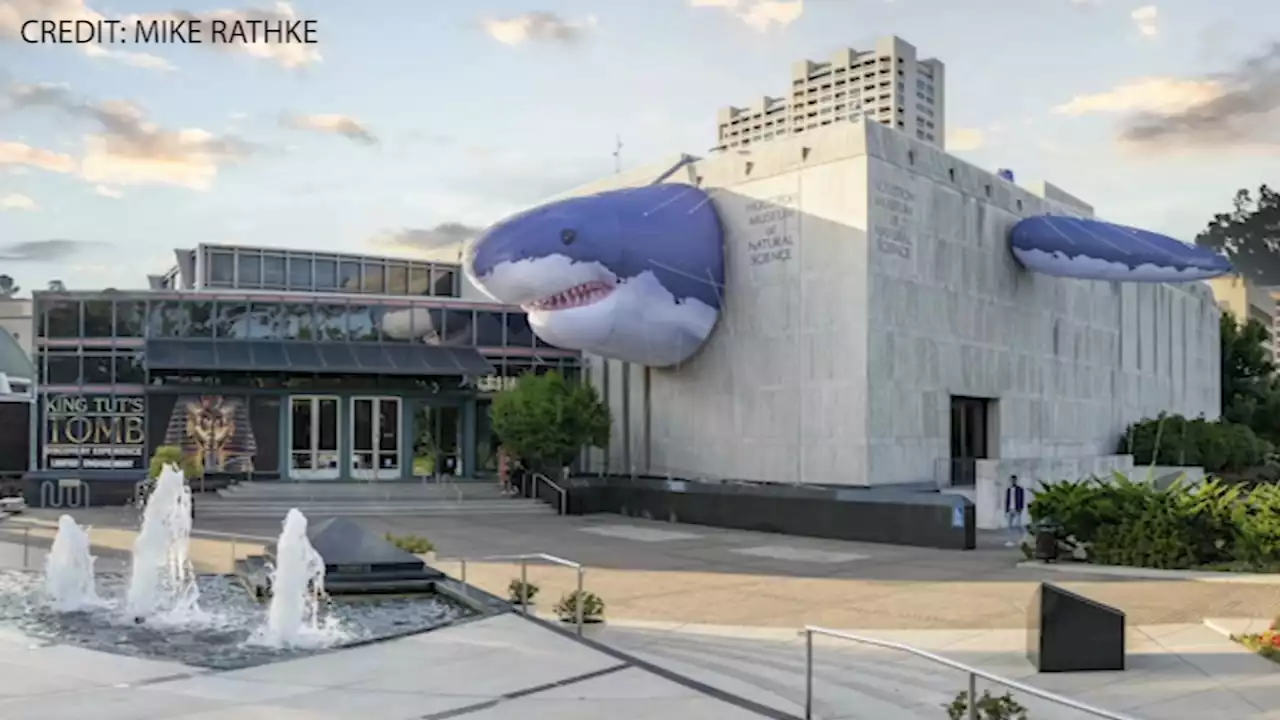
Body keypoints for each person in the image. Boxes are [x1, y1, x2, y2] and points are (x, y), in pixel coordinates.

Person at [1004, 475, 1026, 547]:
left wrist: (1021, 508)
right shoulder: (1008, 490)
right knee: (1009, 526)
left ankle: (1023, 536)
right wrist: (1006, 510)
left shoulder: (1020, 489)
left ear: (1016, 480)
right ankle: (1010, 540)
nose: (1013, 481)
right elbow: (1007, 500)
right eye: (1011, 480)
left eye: (1014, 480)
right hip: (1010, 509)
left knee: (1018, 524)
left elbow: (1022, 499)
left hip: (1017, 509)